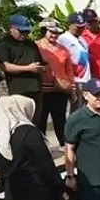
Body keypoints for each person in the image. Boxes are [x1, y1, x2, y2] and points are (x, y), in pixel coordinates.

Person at [0, 15, 45, 127]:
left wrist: (42, 67)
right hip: (19, 89)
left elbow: (40, 62)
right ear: (11, 28)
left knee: (36, 121)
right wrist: (28, 68)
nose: (24, 34)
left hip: (36, 88)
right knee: (22, 123)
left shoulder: (30, 44)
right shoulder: (4, 44)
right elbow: (5, 67)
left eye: (26, 31)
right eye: (21, 31)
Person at [36, 18, 74, 151]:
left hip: (60, 88)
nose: (54, 35)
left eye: (56, 33)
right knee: (41, 118)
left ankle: (63, 143)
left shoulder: (63, 50)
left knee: (60, 117)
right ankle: (41, 145)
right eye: (51, 32)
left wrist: (72, 87)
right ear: (44, 31)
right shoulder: (37, 47)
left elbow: (69, 70)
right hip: (42, 89)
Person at [57, 12, 90, 112]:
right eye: (78, 27)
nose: (81, 29)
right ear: (69, 25)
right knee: (76, 109)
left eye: (83, 26)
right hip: (75, 79)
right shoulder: (62, 39)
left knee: (85, 109)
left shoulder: (82, 39)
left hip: (85, 78)